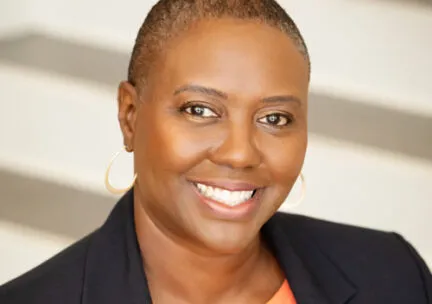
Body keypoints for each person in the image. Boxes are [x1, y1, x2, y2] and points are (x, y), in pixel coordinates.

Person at [1, 0, 431, 303]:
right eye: (201, 110)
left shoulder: (391, 274)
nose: (240, 154)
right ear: (130, 116)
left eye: (275, 118)